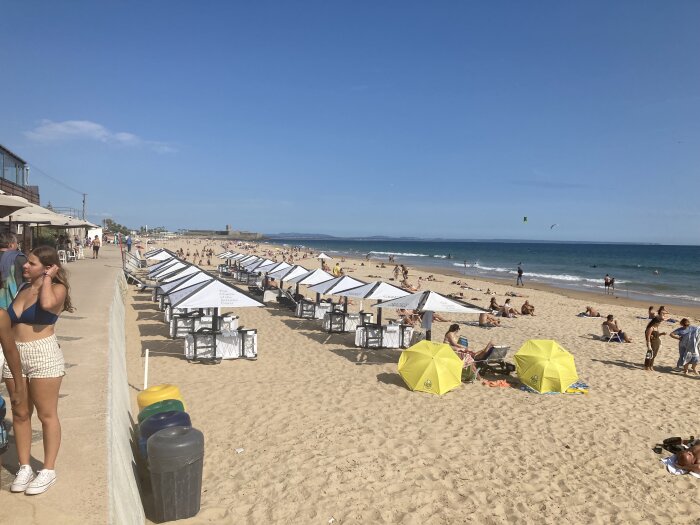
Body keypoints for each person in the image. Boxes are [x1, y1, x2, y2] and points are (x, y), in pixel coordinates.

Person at [3, 246, 74, 495]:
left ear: (47, 268)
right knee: (20, 412)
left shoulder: (57, 289)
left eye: (31, 263)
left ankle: (48, 470)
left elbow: (46, 304)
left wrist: (47, 278)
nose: (24, 266)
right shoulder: (23, 288)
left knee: (46, 414)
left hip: (43, 353)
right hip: (15, 354)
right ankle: (25, 466)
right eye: (27, 262)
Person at [0, 233, 28, 309]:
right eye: (16, 243)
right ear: (11, 245)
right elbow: (27, 280)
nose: (17, 245)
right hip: (13, 301)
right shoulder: (19, 258)